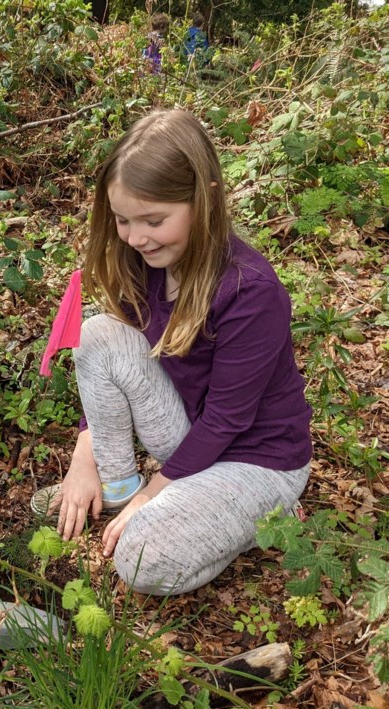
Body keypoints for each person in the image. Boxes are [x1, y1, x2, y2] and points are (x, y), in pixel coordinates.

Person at [34, 110, 311, 597]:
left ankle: (266, 513)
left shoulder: (251, 291)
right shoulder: (145, 262)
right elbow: (107, 364)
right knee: (100, 332)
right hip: (187, 434)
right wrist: (85, 458)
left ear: (204, 199)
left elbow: (229, 419)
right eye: (123, 220)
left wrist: (155, 494)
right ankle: (119, 486)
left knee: (142, 560)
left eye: (154, 221)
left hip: (257, 458)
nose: (136, 237)